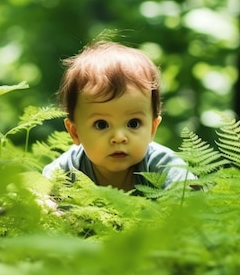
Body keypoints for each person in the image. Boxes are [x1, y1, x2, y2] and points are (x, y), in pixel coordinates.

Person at [42, 40, 194, 193]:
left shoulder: (162, 166)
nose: (119, 137)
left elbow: (191, 200)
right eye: (101, 124)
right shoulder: (68, 169)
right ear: (75, 132)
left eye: (133, 123)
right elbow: (40, 198)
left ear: (152, 129)